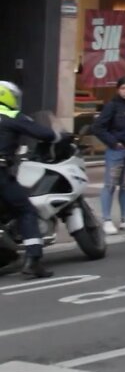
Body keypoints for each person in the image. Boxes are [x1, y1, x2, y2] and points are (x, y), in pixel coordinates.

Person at [0, 81, 62, 278]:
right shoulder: (11, 116)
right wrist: (55, 136)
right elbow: (45, 133)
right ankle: (33, 260)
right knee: (26, 210)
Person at [91, 76, 125, 235]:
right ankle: (106, 220)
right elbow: (98, 127)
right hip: (116, 151)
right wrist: (114, 142)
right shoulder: (112, 106)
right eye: (123, 88)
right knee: (110, 185)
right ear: (118, 89)